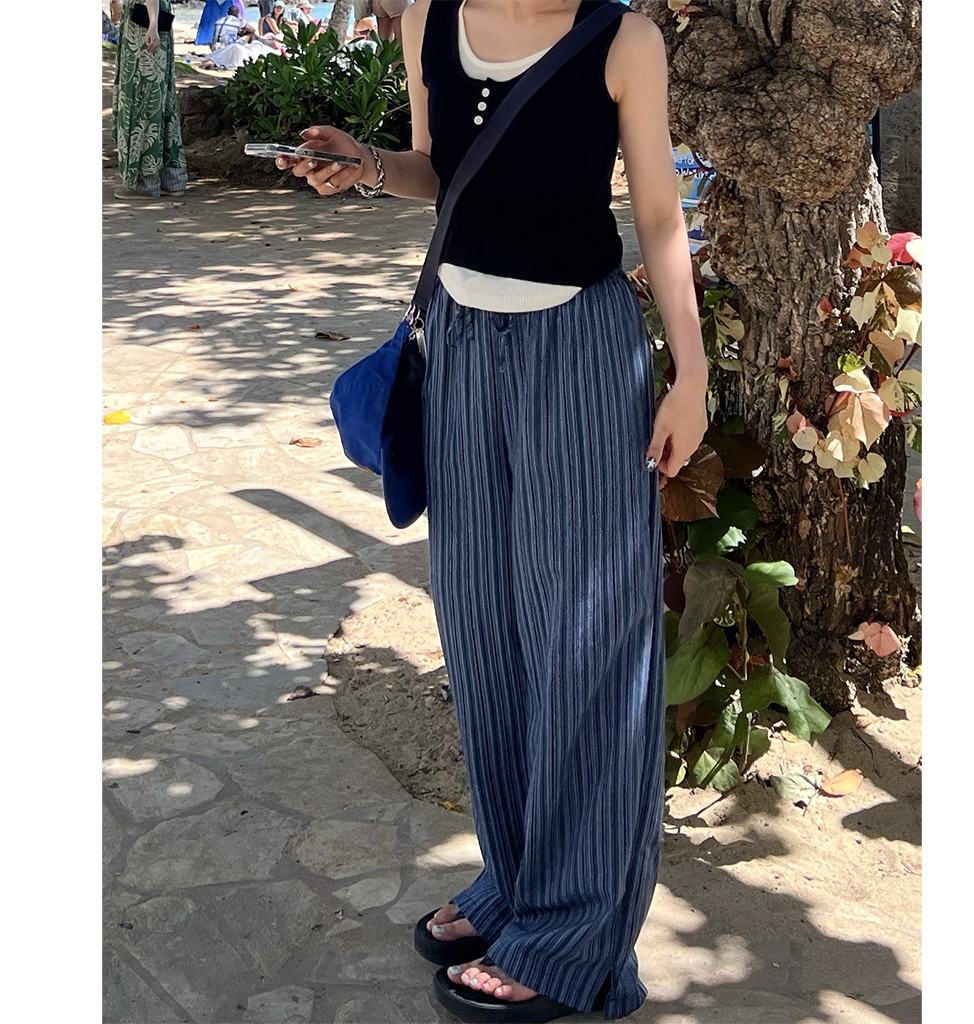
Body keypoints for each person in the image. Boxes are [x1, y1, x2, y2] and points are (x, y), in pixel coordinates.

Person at [275, 1, 707, 1020]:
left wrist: (689, 375)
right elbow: (438, 169)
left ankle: (573, 938)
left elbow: (656, 215)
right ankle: (517, 883)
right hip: (463, 345)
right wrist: (367, 165)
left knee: (586, 641)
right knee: (482, 625)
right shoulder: (431, 14)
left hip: (580, 351)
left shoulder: (622, 40)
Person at [111, 0, 188, 199]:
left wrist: (152, 25)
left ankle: (145, 181)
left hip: (142, 25)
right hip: (154, 18)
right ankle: (172, 179)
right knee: (160, 97)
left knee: (141, 97)